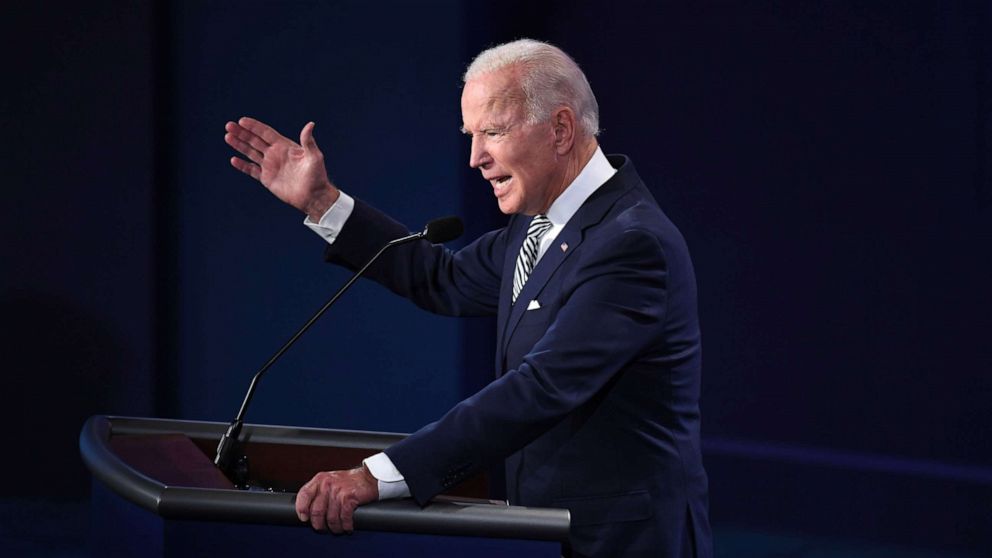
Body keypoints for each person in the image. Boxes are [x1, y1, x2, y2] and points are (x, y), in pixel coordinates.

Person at [224, 39, 711, 558]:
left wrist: (379, 475)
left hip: (627, 541)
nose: (476, 158)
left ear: (561, 129)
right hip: (553, 534)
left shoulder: (631, 245)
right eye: (470, 135)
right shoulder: (538, 224)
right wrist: (322, 202)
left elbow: (541, 387)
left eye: (492, 133)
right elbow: (442, 278)